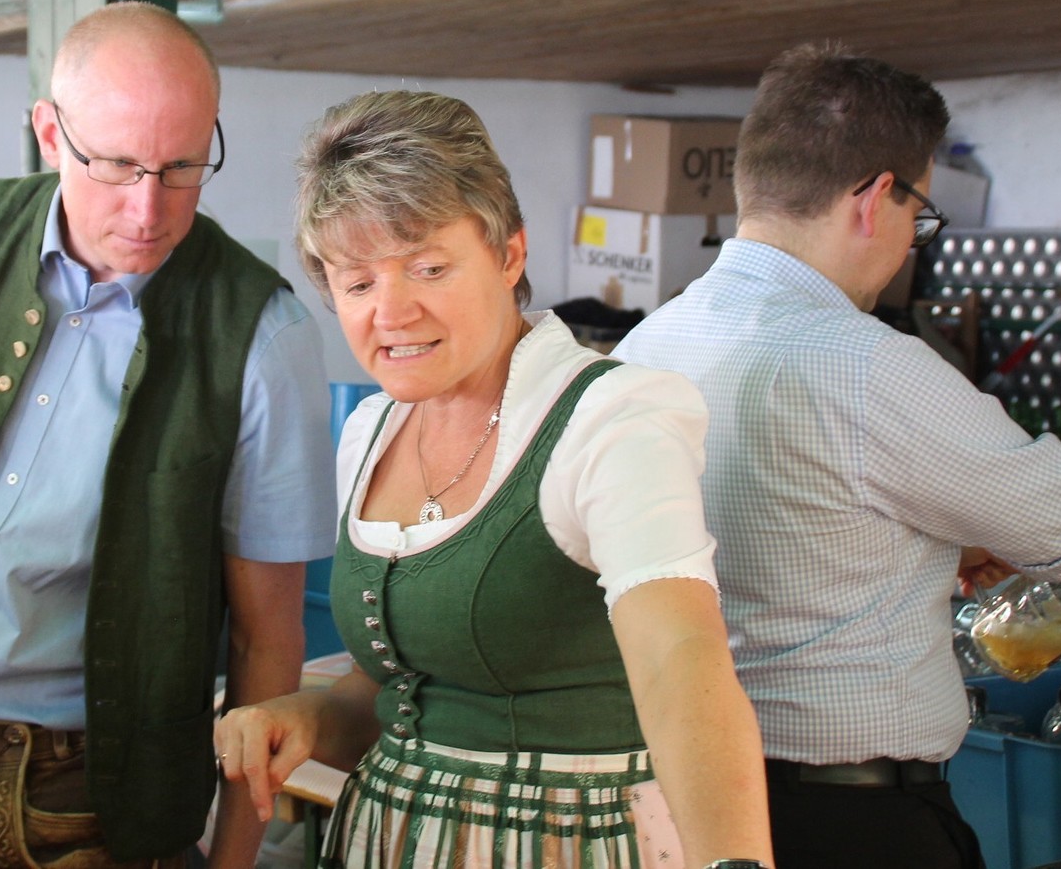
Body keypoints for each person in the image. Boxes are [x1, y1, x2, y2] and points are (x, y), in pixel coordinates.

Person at [0, 1, 337, 869]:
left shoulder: (261, 333)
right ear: (49, 133)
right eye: (115, 165)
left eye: (182, 166)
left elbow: (267, 636)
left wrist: (231, 859)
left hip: (87, 798)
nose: (148, 208)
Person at [214, 90, 775, 869]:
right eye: (358, 282)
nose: (392, 311)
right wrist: (308, 717)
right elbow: (397, 692)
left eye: (428, 267)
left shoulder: (610, 418)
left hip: (569, 845)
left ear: (510, 255)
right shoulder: (371, 431)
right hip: (389, 842)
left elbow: (679, 658)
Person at [612, 42, 1061, 869]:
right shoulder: (867, 364)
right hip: (850, 821)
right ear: (875, 198)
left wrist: (934, 548)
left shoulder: (643, 346)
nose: (909, 243)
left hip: (683, 805)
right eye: (917, 217)